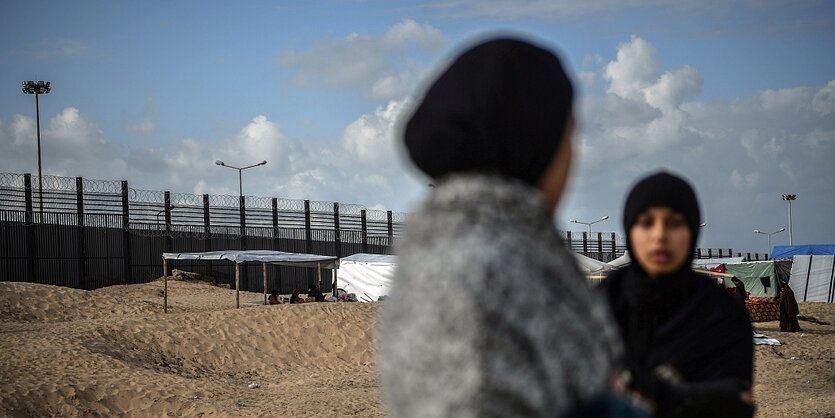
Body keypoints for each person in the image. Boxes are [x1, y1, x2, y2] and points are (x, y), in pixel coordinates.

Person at [377, 37, 626, 418]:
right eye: (569, 134)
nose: (573, 155)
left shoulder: (451, 246)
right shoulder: (485, 268)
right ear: (532, 140)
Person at [599, 172, 755, 417]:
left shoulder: (722, 317)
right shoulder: (598, 305)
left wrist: (627, 387)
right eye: (646, 222)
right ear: (630, 229)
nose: (660, 235)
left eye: (674, 223)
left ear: (692, 230)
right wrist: (685, 396)